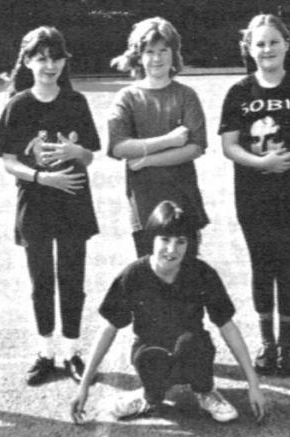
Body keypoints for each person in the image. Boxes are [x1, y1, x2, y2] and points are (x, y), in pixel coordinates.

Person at [70, 201, 267, 425]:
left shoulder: (202, 273)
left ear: (189, 243)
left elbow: (227, 326)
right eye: (165, 239)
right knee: (148, 356)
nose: (172, 250)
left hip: (191, 351)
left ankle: (205, 391)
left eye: (180, 241)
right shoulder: (133, 275)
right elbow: (108, 329)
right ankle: (148, 396)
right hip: (152, 353)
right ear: (151, 238)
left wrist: (254, 384)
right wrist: (83, 386)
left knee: (191, 342)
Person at [0, 26, 101, 386]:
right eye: (41, 58)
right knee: (41, 282)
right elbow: (8, 161)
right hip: (35, 203)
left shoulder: (76, 102)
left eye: (56, 58)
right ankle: (45, 352)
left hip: (72, 200)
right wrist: (41, 178)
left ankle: (71, 352)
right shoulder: (18, 105)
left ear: (65, 61)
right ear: (27, 62)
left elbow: (90, 155)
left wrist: (75, 152)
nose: (49, 65)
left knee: (72, 278)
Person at [219, 13, 290, 377]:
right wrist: (262, 162)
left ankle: (287, 342)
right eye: (260, 43)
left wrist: (289, 159)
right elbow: (230, 145)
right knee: (262, 265)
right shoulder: (239, 92)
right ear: (249, 49)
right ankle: (266, 342)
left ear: (287, 46)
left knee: (287, 263)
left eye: (274, 42)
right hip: (253, 193)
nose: (267, 49)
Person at [108, 17, 209, 258]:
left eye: (164, 50)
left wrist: (147, 160)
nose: (157, 58)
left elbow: (195, 147)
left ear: (174, 53)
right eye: (150, 51)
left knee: (187, 271)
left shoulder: (186, 95)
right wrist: (169, 141)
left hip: (184, 200)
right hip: (145, 204)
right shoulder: (127, 97)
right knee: (148, 271)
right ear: (138, 56)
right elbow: (119, 146)